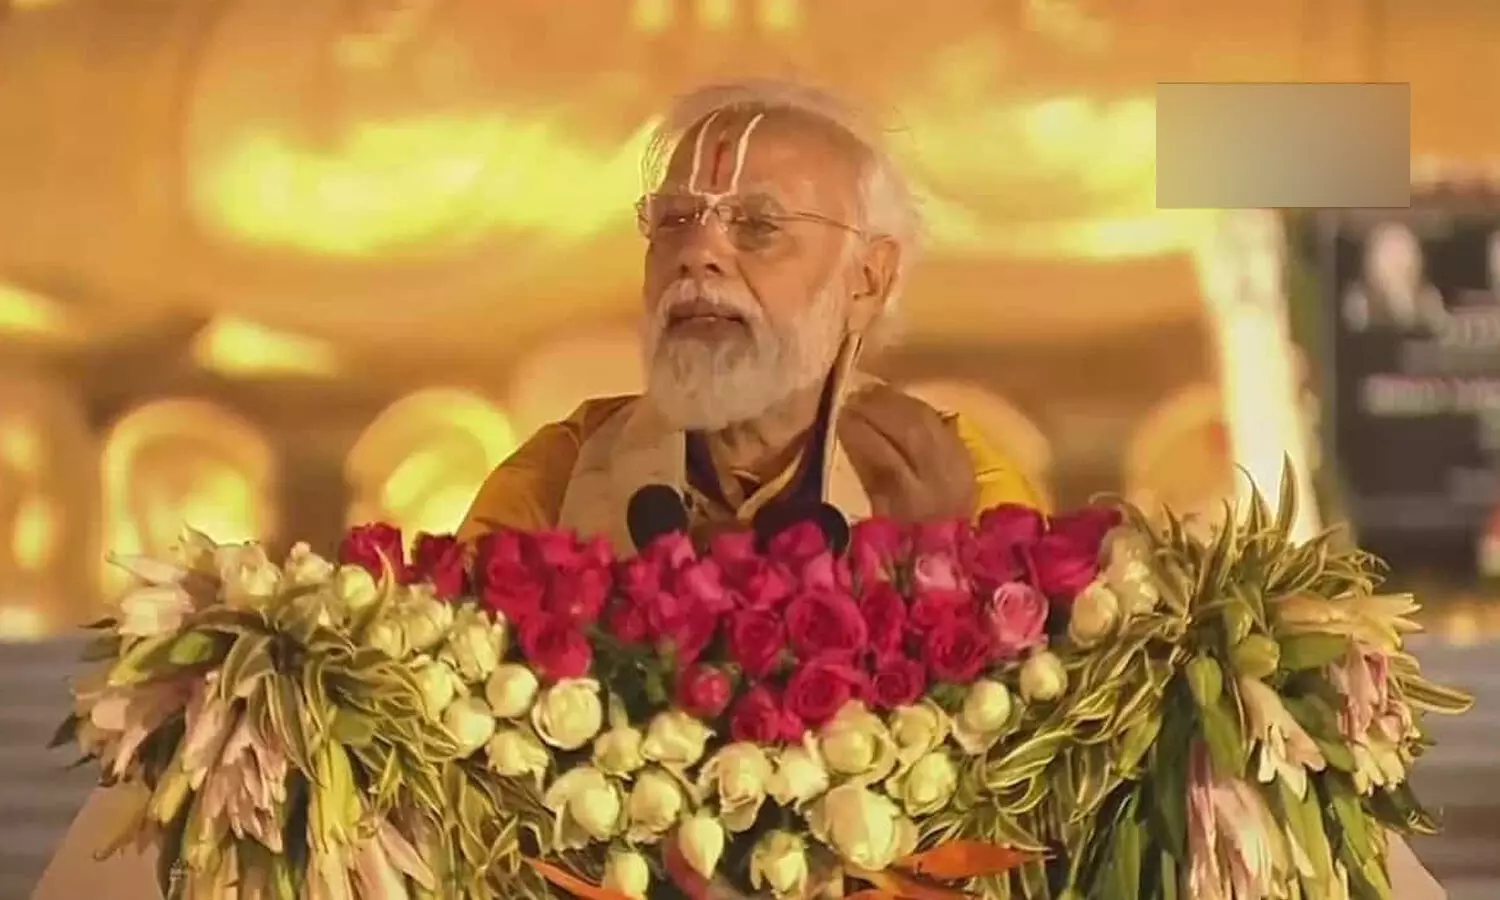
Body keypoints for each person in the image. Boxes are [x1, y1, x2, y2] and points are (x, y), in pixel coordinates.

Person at [33, 80, 1446, 900]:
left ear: (868, 278)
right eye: (673, 222)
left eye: (759, 225)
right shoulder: (556, 474)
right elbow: (452, 741)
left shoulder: (949, 477)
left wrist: (935, 567)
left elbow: (1018, 772)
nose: (699, 255)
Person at [1342, 220, 1449, 335]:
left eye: (1402, 255)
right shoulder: (1359, 306)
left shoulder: (1429, 302)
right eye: (1389, 256)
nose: (1397, 265)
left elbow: (1443, 329)